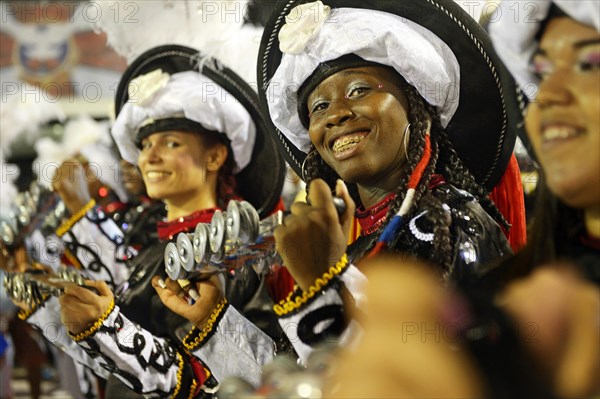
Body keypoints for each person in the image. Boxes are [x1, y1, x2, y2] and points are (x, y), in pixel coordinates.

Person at [257, 0, 525, 361]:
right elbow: (290, 379)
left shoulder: (453, 222)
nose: (336, 114)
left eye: (360, 90)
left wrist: (325, 286)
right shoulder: (351, 248)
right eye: (319, 107)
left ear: (418, 108)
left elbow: (440, 376)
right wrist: (214, 324)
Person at [18, 45, 285, 398]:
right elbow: (113, 368)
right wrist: (52, 311)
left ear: (217, 155)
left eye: (172, 143)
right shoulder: (153, 243)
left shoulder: (234, 251)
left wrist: (108, 328)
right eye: (144, 144)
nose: (150, 157)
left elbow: (225, 381)